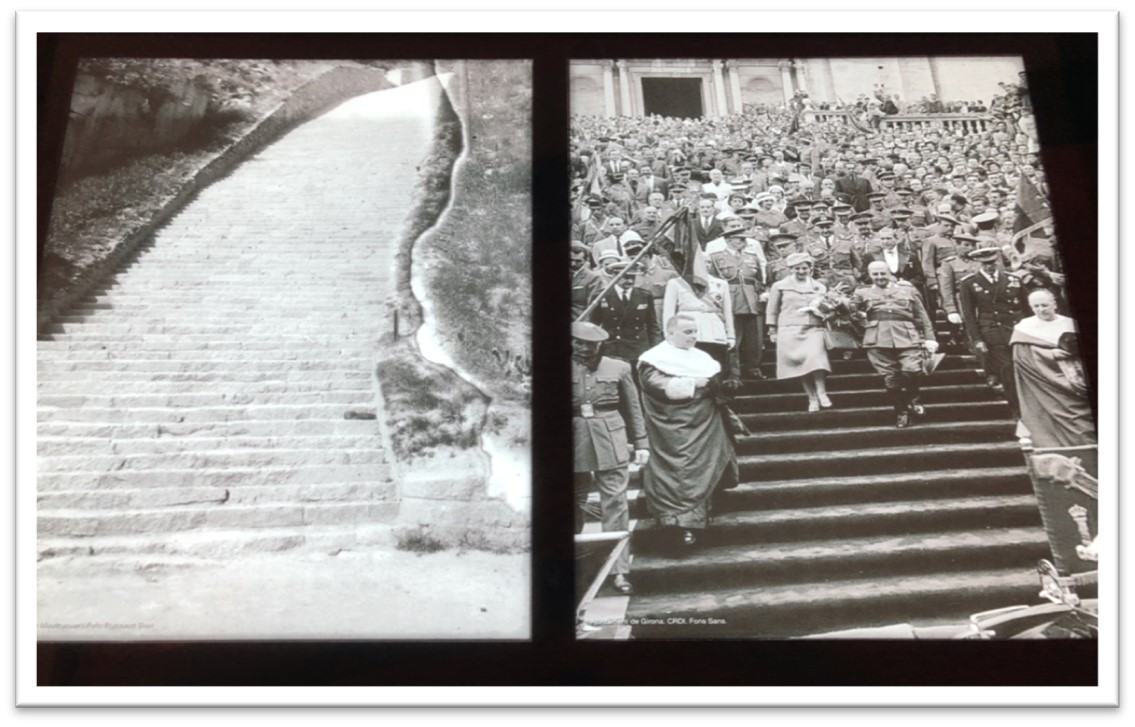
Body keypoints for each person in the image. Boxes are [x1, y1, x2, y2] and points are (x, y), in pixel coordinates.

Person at [637, 314, 738, 548]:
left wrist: (723, 386)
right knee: (679, 472)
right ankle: (676, 527)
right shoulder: (654, 359)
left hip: (705, 423)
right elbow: (655, 384)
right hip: (673, 428)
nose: (693, 336)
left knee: (704, 466)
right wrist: (694, 384)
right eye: (687, 332)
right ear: (669, 333)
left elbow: (715, 384)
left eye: (695, 332)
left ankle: (700, 520)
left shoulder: (702, 358)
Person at [572, 321, 650, 594]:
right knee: (573, 503)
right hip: (573, 438)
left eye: (590, 344)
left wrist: (641, 443)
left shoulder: (618, 367)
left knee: (616, 504)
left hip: (610, 437)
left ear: (600, 344)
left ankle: (618, 571)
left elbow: (634, 408)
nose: (584, 348)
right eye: (578, 342)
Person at [849, 261, 939, 428]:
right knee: (890, 378)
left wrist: (929, 338)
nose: (879, 277)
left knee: (912, 370)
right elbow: (851, 315)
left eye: (882, 273)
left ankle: (914, 397)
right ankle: (901, 412)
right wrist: (857, 316)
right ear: (870, 275)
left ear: (889, 272)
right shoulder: (862, 293)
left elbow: (922, 315)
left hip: (907, 335)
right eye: (875, 274)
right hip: (877, 339)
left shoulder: (908, 290)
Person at [1011, 289, 1096, 447]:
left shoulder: (1069, 323)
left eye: (1045, 305)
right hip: (1047, 383)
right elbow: (1022, 357)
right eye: (1036, 306)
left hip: (1077, 378)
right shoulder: (1025, 328)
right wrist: (1050, 354)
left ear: (1054, 304)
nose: (1041, 309)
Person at [959, 246, 1029, 416]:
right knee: (1006, 369)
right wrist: (977, 339)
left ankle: (1029, 405)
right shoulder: (969, 283)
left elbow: (1027, 308)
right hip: (991, 331)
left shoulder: (1013, 279)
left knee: (1024, 368)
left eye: (992, 263)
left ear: (997, 261)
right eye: (985, 264)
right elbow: (969, 315)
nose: (989, 267)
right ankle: (1016, 408)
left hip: (1016, 329)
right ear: (978, 264)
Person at [765, 251, 833, 412]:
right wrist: (772, 330)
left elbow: (827, 308)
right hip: (789, 328)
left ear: (810, 268)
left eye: (804, 268)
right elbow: (772, 310)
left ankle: (822, 392)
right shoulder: (780, 286)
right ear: (791, 269)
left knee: (816, 358)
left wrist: (825, 311)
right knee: (800, 364)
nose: (801, 272)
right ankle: (812, 397)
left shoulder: (819, 286)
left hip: (814, 327)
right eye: (797, 269)